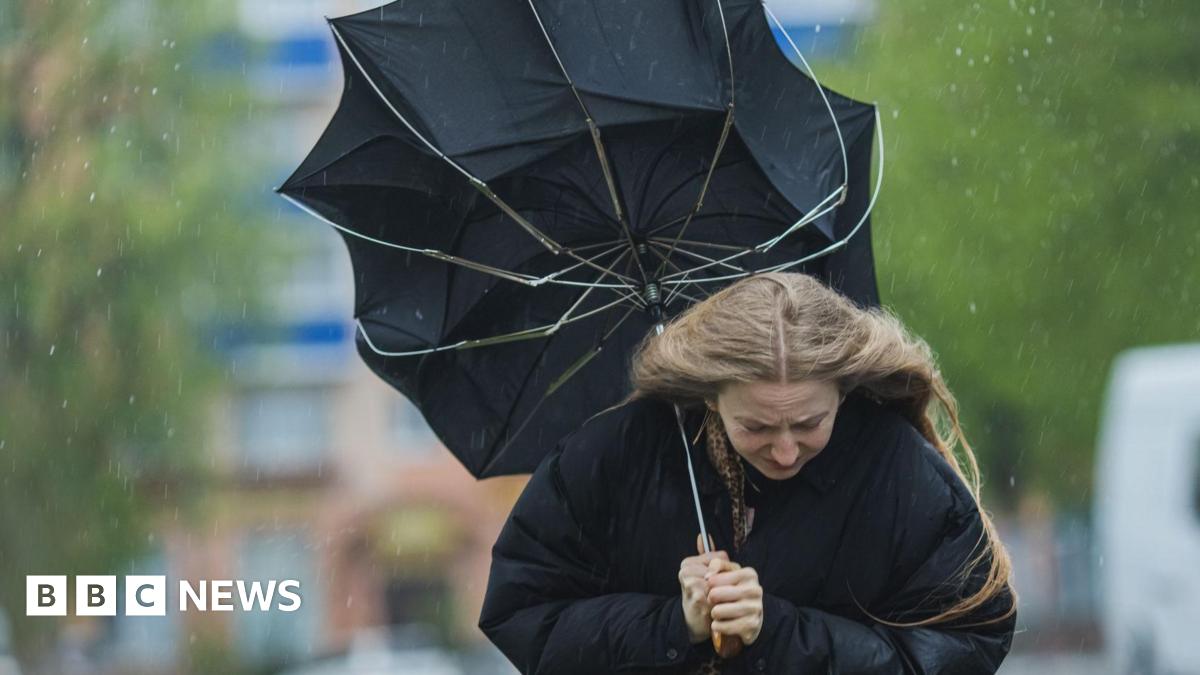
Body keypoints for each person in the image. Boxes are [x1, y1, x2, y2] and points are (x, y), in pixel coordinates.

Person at [479, 272, 1017, 674]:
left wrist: (778, 633)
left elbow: (963, 649)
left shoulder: (899, 474)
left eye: (809, 423)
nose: (785, 451)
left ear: (844, 391)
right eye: (757, 427)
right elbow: (524, 616)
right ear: (710, 397)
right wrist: (676, 625)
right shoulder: (614, 455)